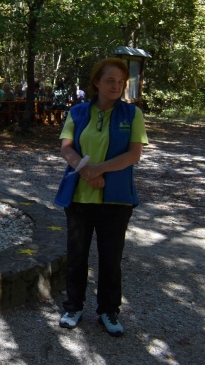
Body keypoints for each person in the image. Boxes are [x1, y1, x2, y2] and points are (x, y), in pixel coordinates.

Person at [55, 58, 147, 337]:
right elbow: (66, 148)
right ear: (97, 82)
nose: (116, 86)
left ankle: (108, 311)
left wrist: (99, 169)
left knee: (110, 259)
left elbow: (134, 155)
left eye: (121, 82)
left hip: (116, 200)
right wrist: (87, 173)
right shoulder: (78, 111)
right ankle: (73, 307)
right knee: (76, 257)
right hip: (79, 198)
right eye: (110, 80)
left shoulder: (132, 114)